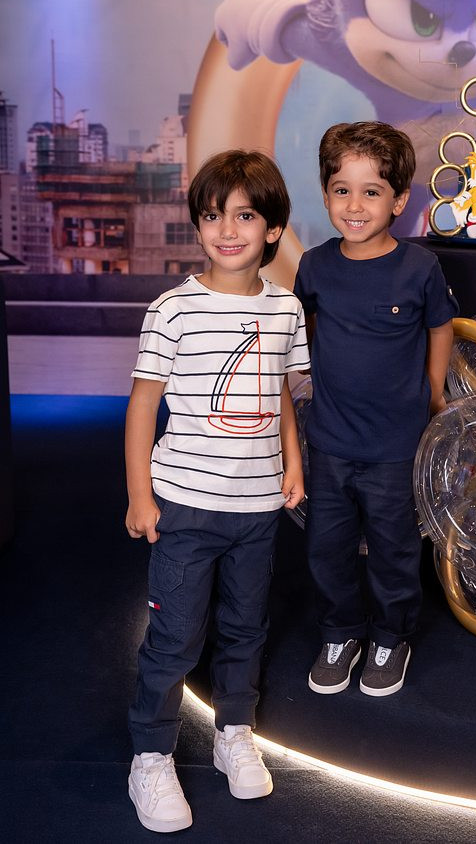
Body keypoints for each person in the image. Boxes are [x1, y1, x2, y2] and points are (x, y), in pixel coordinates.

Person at [125, 150, 310, 833]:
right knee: (174, 637)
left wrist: (293, 463)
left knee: (244, 627)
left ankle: (234, 730)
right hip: (185, 504)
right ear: (198, 225)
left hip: (257, 509)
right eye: (212, 216)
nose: (227, 230)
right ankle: (150, 755)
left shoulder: (286, 308)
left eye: (245, 215)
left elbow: (281, 392)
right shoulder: (173, 310)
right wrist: (140, 494)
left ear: (272, 228)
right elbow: (143, 405)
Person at [293, 121, 458, 698]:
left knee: (393, 550)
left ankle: (391, 636)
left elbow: (441, 327)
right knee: (327, 548)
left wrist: (433, 390)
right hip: (330, 442)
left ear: (399, 200)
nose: (355, 206)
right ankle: (340, 632)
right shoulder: (314, 266)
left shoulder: (420, 268)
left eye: (372, 192)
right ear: (325, 194)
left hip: (395, 446)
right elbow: (307, 329)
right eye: (342, 190)